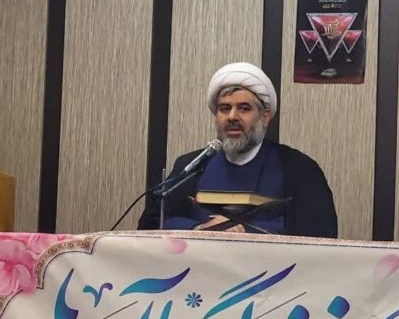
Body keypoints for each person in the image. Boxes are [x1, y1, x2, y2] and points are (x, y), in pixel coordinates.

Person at [138, 62, 337, 238]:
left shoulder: (298, 168)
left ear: (265, 116)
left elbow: (319, 234)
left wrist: (244, 233)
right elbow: (153, 223)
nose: (232, 117)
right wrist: (200, 228)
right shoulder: (192, 166)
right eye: (225, 109)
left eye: (244, 108)